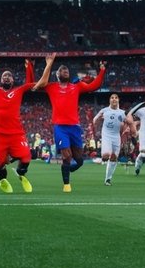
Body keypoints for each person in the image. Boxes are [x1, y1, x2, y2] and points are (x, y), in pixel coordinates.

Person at [34, 56, 105, 193]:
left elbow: (94, 86)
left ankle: (67, 170)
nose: (65, 70)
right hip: (60, 127)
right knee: (67, 156)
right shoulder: (51, 87)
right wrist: (49, 64)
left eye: (66, 70)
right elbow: (40, 83)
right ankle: (66, 184)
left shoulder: (76, 86)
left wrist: (102, 70)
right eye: (62, 70)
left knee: (79, 160)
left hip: (75, 127)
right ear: (57, 75)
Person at [0, 56, 51, 193]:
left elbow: (32, 84)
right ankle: (3, 180)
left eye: (9, 76)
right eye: (4, 76)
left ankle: (21, 173)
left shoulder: (18, 91)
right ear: (0, 80)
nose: (7, 77)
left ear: (13, 80)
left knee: (26, 157)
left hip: (16, 134)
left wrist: (29, 67)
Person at [91, 93, 131, 186]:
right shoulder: (104, 111)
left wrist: (127, 129)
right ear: (110, 100)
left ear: (118, 100)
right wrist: (96, 120)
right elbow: (95, 119)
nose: (114, 99)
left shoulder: (122, 112)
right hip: (106, 135)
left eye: (116, 98)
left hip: (116, 137)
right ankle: (100, 158)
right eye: (112, 98)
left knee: (114, 158)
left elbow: (127, 123)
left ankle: (107, 180)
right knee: (106, 155)